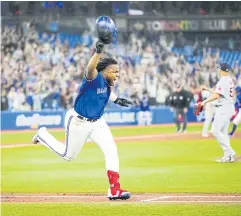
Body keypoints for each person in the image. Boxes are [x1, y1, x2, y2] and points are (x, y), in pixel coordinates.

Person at [32, 40, 133, 200]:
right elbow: (90, 69)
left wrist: (117, 100)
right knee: (68, 156)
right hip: (78, 122)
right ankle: (42, 135)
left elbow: (107, 93)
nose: (117, 74)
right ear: (105, 72)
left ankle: (114, 190)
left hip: (98, 122)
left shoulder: (107, 83)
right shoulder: (93, 78)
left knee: (111, 150)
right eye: (115, 71)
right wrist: (97, 53)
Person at [200, 63, 236, 163]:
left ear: (221, 70)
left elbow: (217, 96)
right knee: (223, 132)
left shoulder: (223, 80)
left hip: (224, 108)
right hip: (228, 107)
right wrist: (207, 89)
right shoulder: (229, 80)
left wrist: (204, 101)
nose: (218, 70)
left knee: (215, 130)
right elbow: (219, 93)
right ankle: (228, 157)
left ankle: (229, 151)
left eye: (219, 69)